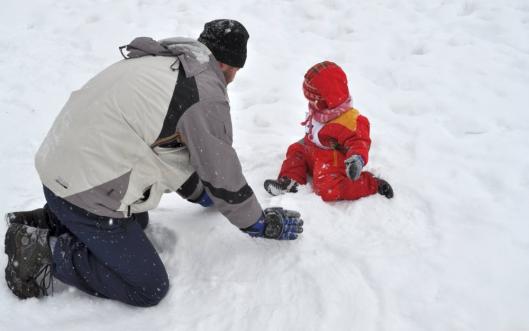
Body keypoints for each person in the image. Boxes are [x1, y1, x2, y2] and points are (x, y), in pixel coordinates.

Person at [4, 19, 303, 307]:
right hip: (81, 191)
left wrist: (200, 193)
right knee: (148, 286)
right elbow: (219, 170)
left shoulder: (163, 63)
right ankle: (43, 251)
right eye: (236, 70)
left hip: (58, 171)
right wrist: (257, 222)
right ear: (228, 65)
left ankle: (52, 220)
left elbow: (167, 147)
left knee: (139, 217)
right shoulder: (204, 95)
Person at [264, 61, 394, 202]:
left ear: (328, 99)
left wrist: (357, 159)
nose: (311, 104)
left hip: (332, 159)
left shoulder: (350, 120)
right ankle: (290, 181)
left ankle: (370, 184)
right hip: (311, 150)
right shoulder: (320, 110)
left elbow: (359, 142)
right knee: (295, 151)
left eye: (314, 100)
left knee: (327, 189)